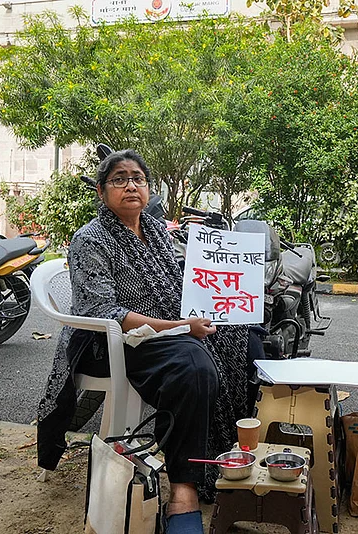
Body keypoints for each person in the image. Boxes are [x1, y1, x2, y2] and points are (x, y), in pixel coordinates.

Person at [36, 149, 262, 534]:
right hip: (112, 344)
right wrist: (177, 326)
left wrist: (218, 303)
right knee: (194, 367)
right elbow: (103, 309)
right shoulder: (90, 239)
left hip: (168, 332)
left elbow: (186, 283)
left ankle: (233, 459)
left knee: (249, 339)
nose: (130, 186)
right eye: (119, 179)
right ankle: (184, 490)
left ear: (148, 187)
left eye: (137, 178)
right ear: (102, 190)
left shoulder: (157, 231)